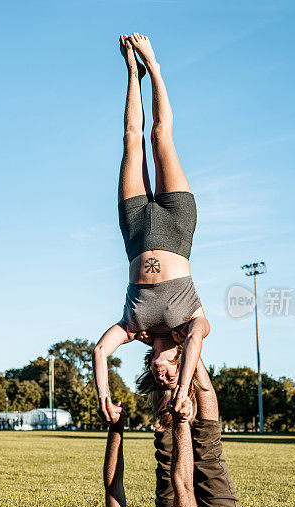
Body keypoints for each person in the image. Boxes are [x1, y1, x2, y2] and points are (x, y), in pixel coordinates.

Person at [94, 33, 209, 430]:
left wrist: (105, 398)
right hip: (177, 224)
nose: (166, 379)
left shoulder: (133, 328)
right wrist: (182, 396)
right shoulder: (191, 325)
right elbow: (194, 344)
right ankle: (155, 68)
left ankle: (131, 72)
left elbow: (99, 351)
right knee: (161, 136)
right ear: (183, 372)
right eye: (175, 379)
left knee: (131, 141)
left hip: (136, 228)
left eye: (162, 383)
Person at [102, 361, 247, 507]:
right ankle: (194, 355)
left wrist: (116, 428)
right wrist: (181, 420)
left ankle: (169, 356)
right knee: (206, 445)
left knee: (165, 442)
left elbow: (113, 486)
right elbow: (184, 487)